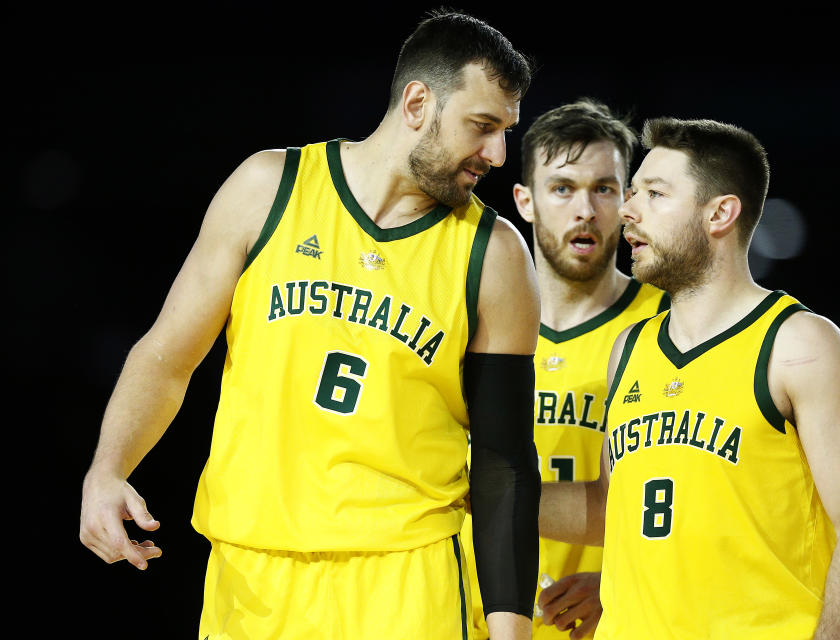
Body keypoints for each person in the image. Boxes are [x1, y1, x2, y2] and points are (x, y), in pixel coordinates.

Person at [78, 11, 542, 639]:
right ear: (416, 103)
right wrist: (108, 469)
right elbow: (168, 355)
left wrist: (509, 630)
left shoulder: (497, 255)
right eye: (482, 127)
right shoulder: (269, 188)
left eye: (505, 131)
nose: (497, 153)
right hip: (252, 579)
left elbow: (503, 464)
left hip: (407, 584)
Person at [539, 117, 840, 639]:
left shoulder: (798, 344)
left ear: (721, 213)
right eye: (632, 193)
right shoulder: (629, 349)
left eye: (655, 194)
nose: (628, 211)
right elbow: (615, 506)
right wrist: (483, 491)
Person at [461, 99, 668, 640]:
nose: (585, 210)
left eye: (604, 188)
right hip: (464, 617)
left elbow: (701, 496)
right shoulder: (466, 319)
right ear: (524, 201)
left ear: (628, 202)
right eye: (563, 188)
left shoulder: (671, 326)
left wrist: (620, 580)